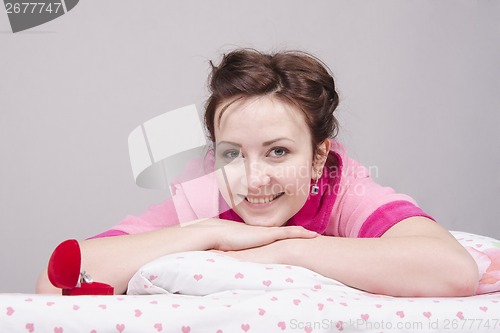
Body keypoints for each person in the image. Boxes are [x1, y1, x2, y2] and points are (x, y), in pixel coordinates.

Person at [36, 49, 479, 296]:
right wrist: (208, 232)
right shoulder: (207, 195)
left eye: (278, 152)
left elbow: (452, 271)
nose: (253, 180)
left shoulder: (343, 191)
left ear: (318, 157)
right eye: (232, 155)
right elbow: (57, 280)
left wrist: (283, 249)